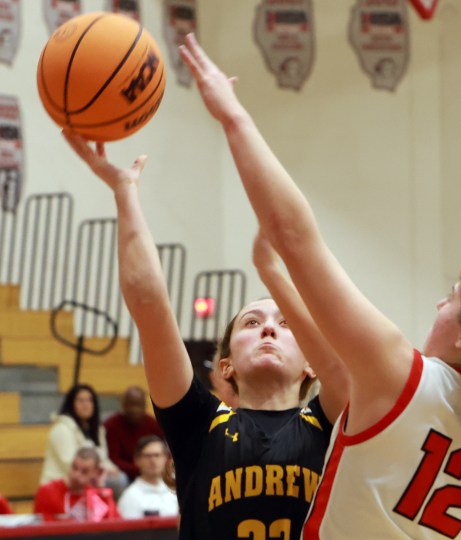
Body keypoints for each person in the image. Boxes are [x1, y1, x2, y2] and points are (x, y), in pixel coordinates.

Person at [178, 33, 461, 539]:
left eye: (451, 296)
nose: (439, 303)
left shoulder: (400, 374)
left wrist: (233, 117)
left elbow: (295, 235)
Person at [60, 132, 350, 539]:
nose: (268, 326)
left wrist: (273, 273)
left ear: (309, 366)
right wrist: (124, 193)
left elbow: (341, 367)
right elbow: (148, 304)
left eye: (286, 324)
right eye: (251, 322)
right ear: (226, 363)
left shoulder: (333, 422)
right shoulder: (199, 424)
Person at [40, 383, 127, 498]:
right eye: (80, 401)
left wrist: (113, 469)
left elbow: (103, 458)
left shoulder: (97, 430)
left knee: (120, 477)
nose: (86, 405)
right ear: (71, 404)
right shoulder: (61, 428)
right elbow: (70, 464)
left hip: (87, 482)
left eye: (89, 400)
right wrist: (102, 472)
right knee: (116, 482)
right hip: (59, 487)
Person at [34, 447, 120, 521]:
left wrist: (100, 488)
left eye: (84, 471)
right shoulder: (47, 492)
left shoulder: (98, 495)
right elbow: (41, 531)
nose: (76, 475)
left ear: (96, 472)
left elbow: (115, 526)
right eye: (74, 467)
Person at [104, 385, 164, 482]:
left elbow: (163, 453)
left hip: (151, 471)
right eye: (130, 404)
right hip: (124, 474)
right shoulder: (111, 425)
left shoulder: (154, 425)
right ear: (123, 405)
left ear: (145, 406)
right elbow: (113, 458)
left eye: (138, 405)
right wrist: (142, 468)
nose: (134, 409)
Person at [117, 435, 178, 519]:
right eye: (148, 456)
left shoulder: (177, 490)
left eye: (157, 455)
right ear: (136, 460)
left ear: (165, 458)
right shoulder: (130, 496)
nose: (153, 461)